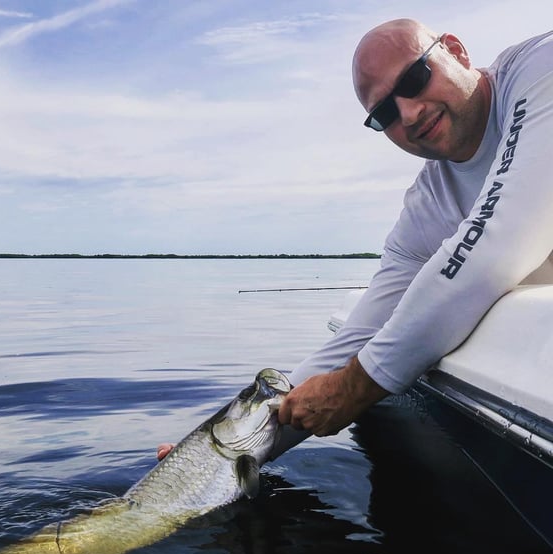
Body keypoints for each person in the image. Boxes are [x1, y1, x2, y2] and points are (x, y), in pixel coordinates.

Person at [158, 18, 553, 463]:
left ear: (457, 51)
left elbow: (496, 246)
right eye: (383, 113)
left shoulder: (541, 68)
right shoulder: (427, 206)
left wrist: (355, 387)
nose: (408, 113)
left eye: (414, 78)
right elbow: (356, 338)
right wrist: (214, 454)